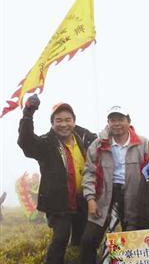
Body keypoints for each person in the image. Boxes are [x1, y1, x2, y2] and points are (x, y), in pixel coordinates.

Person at [17, 94, 97, 264]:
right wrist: (28, 113)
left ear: (74, 121)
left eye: (68, 120)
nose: (63, 124)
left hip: (82, 200)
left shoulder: (85, 137)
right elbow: (26, 142)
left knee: (82, 239)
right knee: (61, 237)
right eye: (58, 120)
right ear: (52, 124)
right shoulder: (46, 143)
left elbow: (104, 144)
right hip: (57, 202)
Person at [80, 105, 148, 264]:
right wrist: (90, 199)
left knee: (133, 242)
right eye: (113, 120)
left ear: (129, 121)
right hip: (104, 196)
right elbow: (89, 172)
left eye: (121, 119)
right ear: (108, 122)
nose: (117, 123)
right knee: (88, 241)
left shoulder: (143, 143)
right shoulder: (98, 144)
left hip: (133, 197)